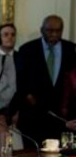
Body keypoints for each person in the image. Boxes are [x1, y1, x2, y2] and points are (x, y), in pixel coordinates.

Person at [17, 15, 76, 144]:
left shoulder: (71, 50)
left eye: (58, 31)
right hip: (34, 117)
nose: (54, 34)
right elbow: (20, 81)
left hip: (63, 119)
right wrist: (27, 95)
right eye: (50, 30)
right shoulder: (27, 50)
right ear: (41, 30)